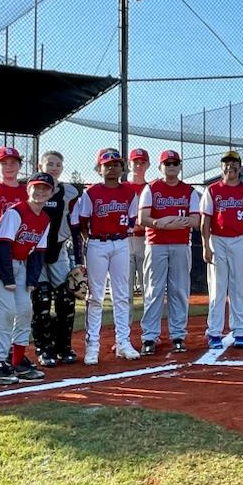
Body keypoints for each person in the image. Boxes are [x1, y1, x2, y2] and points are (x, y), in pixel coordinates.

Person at [75, 148, 141, 364]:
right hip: (97, 243)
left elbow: (132, 220)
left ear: (122, 168)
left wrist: (120, 236)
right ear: (99, 169)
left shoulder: (129, 193)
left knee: (121, 295)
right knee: (95, 296)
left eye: (116, 164)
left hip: (121, 242)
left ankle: (123, 342)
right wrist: (90, 240)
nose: (112, 168)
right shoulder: (91, 193)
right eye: (107, 165)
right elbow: (82, 221)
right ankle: (92, 345)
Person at [0, 172, 54, 385]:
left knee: (26, 312)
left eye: (45, 189)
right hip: (3, 267)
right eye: (37, 187)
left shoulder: (45, 219)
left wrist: (31, 280)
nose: (40, 192)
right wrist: (8, 277)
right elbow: (3, 245)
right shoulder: (16, 212)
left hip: (22, 267)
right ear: (28, 189)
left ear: (51, 193)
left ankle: (16, 361)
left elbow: (39, 252)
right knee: (5, 314)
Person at [138, 150, 201, 355]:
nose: (171, 166)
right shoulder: (151, 188)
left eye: (175, 163)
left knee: (179, 290)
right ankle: (149, 336)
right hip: (155, 244)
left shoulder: (189, 191)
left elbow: (196, 220)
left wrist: (172, 222)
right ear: (160, 167)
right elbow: (142, 218)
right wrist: (160, 223)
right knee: (153, 290)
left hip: (181, 244)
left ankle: (178, 335)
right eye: (167, 163)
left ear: (180, 167)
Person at [199, 151, 243, 349]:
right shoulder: (212, 190)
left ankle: (240, 331)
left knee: (240, 287)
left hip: (241, 239)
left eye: (234, 163)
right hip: (217, 239)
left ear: (240, 167)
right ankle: (214, 332)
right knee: (217, 288)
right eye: (226, 163)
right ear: (222, 167)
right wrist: (205, 245)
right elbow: (205, 221)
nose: (230, 167)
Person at [32, 151, 83, 367]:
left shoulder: (69, 192)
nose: (54, 168)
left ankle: (64, 346)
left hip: (59, 249)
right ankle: (44, 347)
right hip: (34, 252)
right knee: (41, 298)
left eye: (58, 165)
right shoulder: (31, 188)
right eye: (49, 164)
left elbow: (75, 225)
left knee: (66, 297)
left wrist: (79, 259)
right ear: (40, 166)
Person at [126, 148, 151, 301]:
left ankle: (149, 317)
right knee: (125, 286)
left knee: (147, 284)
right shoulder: (122, 187)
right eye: (135, 162)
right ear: (129, 164)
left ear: (148, 165)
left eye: (142, 162)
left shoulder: (152, 188)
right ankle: (125, 318)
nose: (139, 166)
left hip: (145, 239)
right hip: (126, 239)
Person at [0, 145, 27, 215]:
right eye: (4, 163)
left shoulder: (28, 191)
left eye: (13, 163)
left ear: (20, 165)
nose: (9, 166)